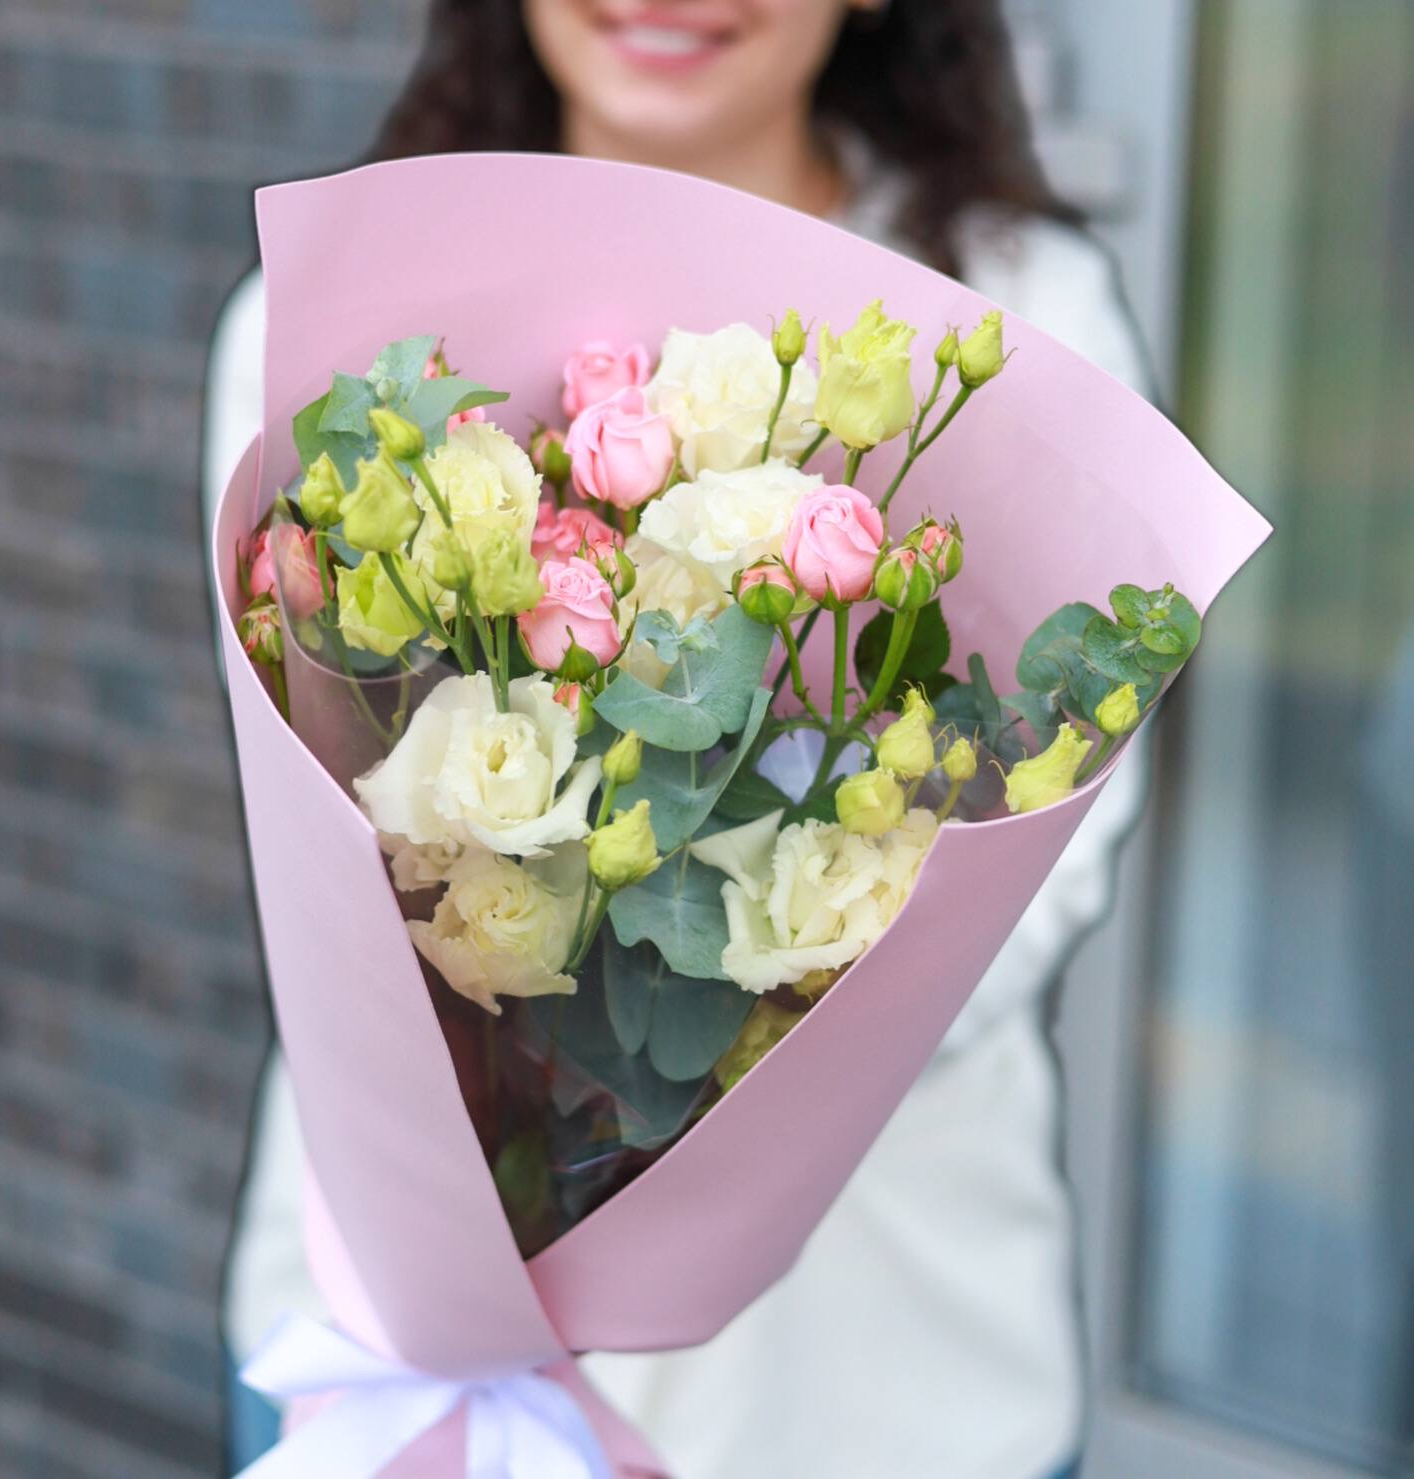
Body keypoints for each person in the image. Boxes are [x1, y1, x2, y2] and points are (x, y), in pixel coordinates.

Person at [202, 3, 1151, 1474]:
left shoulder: (1018, 310)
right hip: (395, 1357)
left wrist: (764, 1023)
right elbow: (316, 822)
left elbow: (1061, 836)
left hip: (876, 1380)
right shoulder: (329, 318)